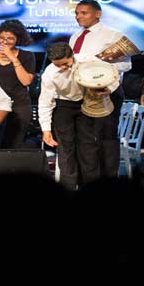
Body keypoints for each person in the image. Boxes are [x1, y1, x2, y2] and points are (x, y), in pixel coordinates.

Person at [66, 0, 131, 183]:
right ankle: (89, 183)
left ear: (97, 13)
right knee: (86, 139)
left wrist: (99, 65)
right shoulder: (75, 37)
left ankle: (109, 182)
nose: (78, 17)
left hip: (106, 91)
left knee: (107, 137)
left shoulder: (113, 35)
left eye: (83, 13)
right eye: (77, 13)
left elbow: (126, 64)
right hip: (81, 92)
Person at [37, 43, 85, 190]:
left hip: (88, 103)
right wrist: (46, 130)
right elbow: (45, 102)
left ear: (72, 56)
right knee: (65, 148)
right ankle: (68, 188)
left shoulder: (86, 61)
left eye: (65, 63)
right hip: (64, 105)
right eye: (58, 65)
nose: (63, 68)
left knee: (88, 147)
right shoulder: (49, 74)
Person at [0, 19, 36, 148]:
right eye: (2, 38)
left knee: (14, 144)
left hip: (19, 105)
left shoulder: (27, 56)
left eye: (10, 38)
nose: (5, 41)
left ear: (18, 39)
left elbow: (26, 81)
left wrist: (12, 57)